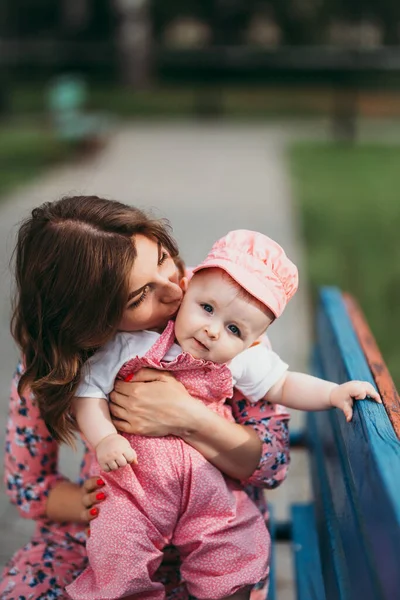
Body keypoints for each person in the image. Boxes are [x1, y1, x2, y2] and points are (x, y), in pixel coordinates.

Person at [65, 229, 380, 600]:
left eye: (234, 329)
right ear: (187, 287)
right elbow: (88, 392)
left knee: (233, 542)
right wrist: (104, 437)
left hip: (206, 484)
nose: (213, 331)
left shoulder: (242, 359)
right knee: (117, 549)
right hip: (136, 482)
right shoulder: (132, 343)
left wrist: (332, 393)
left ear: (252, 340)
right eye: (207, 308)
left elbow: (283, 384)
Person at [1, 196, 290, 600]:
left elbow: (273, 463)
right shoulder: (54, 363)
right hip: (104, 541)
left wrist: (190, 418)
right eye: (140, 297)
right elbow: (27, 484)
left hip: (215, 538)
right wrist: (92, 504)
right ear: (87, 323)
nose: (174, 289)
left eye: (163, 258)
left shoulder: (224, 319)